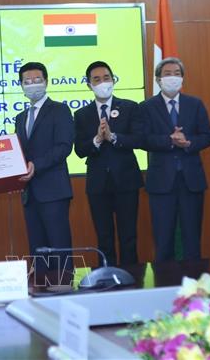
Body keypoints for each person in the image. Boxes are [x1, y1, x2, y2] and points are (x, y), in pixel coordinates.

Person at [140, 57, 210, 262]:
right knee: (163, 241)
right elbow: (142, 139)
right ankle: (164, 280)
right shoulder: (147, 107)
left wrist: (188, 143)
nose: (172, 77)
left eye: (177, 73)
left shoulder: (195, 104)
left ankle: (194, 281)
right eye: (167, 74)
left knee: (192, 240)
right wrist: (169, 140)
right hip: (161, 182)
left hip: (191, 180)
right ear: (158, 79)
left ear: (182, 78)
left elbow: (207, 136)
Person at [73, 61, 143, 266]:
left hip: (126, 181)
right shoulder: (81, 114)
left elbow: (138, 139)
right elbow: (79, 150)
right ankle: (107, 277)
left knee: (128, 236)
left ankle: (131, 277)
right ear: (89, 85)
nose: (103, 82)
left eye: (106, 78)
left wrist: (113, 137)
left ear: (113, 80)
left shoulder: (130, 107)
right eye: (97, 79)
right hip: (98, 184)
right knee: (104, 238)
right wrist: (97, 140)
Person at [14, 62, 74, 280]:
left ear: (46, 82)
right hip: (30, 193)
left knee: (59, 248)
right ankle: (40, 291)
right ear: (21, 85)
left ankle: (64, 288)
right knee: (37, 251)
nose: (32, 85)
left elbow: (64, 147)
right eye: (27, 81)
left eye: (37, 80)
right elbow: (18, 152)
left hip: (54, 191)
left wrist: (36, 165)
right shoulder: (21, 117)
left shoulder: (60, 110)